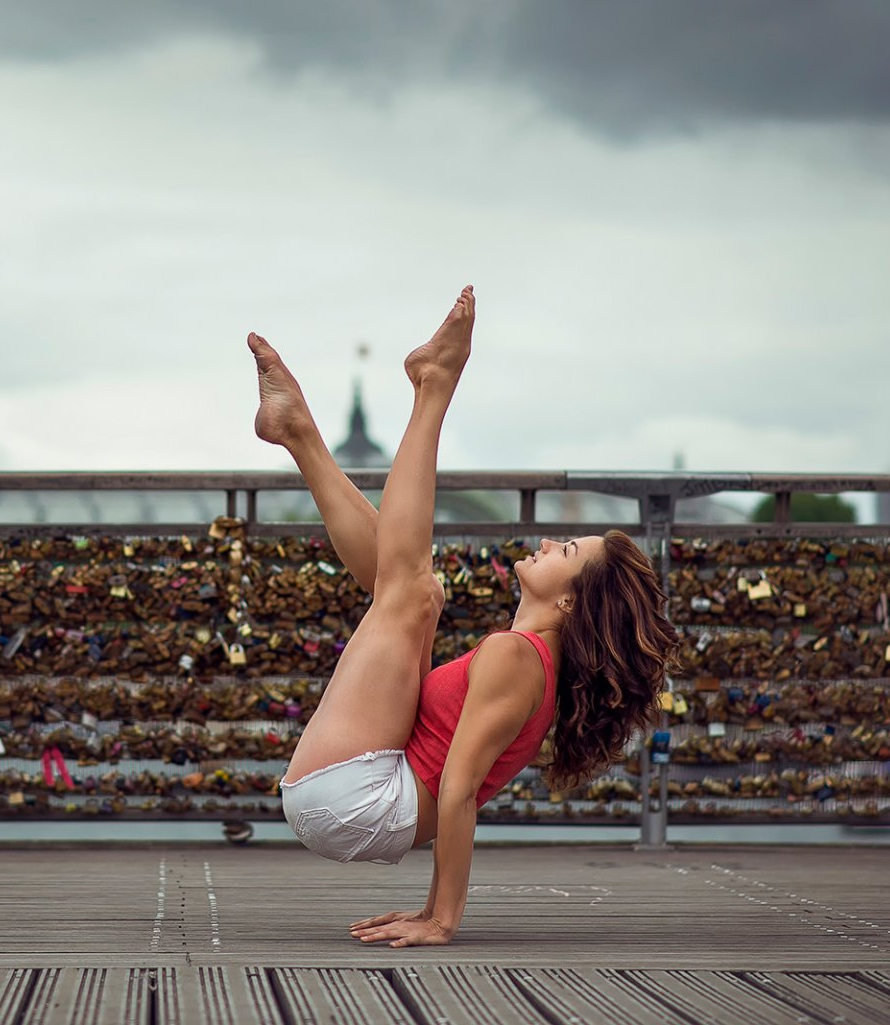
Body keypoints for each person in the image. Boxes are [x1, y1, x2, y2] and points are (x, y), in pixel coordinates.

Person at [248, 285, 675, 947]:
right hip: (360, 800)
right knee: (419, 593)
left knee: (410, 589)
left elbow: (459, 790)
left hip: (353, 797)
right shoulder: (528, 661)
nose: (546, 543)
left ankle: (433, 388)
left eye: (565, 550)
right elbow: (450, 784)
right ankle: (298, 431)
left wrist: (441, 919)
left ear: (570, 602)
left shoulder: (517, 657)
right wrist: (426, 911)